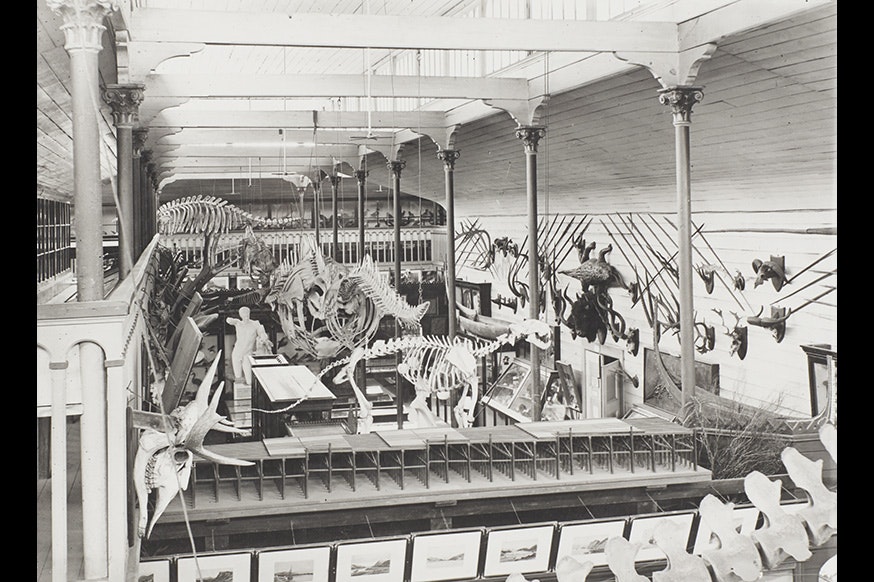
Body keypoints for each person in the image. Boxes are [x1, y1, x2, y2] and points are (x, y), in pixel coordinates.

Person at [226, 306, 272, 386]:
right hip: (237, 352)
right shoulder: (238, 323)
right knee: (238, 378)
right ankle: (240, 392)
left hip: (248, 353)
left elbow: (262, 333)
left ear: (249, 313)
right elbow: (228, 320)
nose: (245, 315)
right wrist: (232, 320)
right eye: (243, 313)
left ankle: (249, 391)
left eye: (247, 313)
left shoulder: (255, 324)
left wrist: (264, 338)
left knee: (249, 379)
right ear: (240, 315)